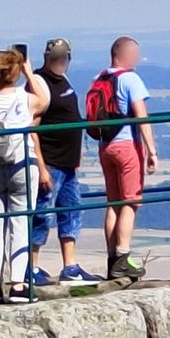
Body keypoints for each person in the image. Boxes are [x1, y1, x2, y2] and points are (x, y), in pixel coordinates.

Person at [0, 49, 49, 304]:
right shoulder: (23, 98)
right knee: (19, 224)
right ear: (17, 71)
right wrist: (29, 71)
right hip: (21, 164)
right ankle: (18, 284)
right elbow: (44, 100)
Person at [28, 38, 102, 285]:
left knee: (71, 211)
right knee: (42, 214)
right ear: (46, 57)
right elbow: (32, 128)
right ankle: (31, 267)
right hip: (50, 162)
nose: (60, 62)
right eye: (55, 57)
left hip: (68, 162)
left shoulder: (64, 81)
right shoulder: (39, 83)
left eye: (64, 57)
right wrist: (40, 166)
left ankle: (70, 267)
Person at [97, 36, 157, 280]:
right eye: (135, 54)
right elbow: (141, 116)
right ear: (123, 54)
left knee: (113, 202)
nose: (138, 59)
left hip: (105, 145)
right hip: (126, 145)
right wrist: (151, 150)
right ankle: (123, 258)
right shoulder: (130, 78)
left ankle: (112, 257)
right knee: (130, 202)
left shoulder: (100, 78)